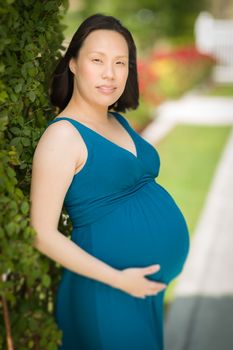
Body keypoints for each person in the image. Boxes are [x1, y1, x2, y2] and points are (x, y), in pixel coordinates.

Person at [30, 13, 190, 350]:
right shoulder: (62, 137)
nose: (110, 73)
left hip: (140, 290)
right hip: (106, 290)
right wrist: (120, 280)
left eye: (120, 62)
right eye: (97, 60)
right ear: (73, 63)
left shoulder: (117, 121)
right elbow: (42, 234)